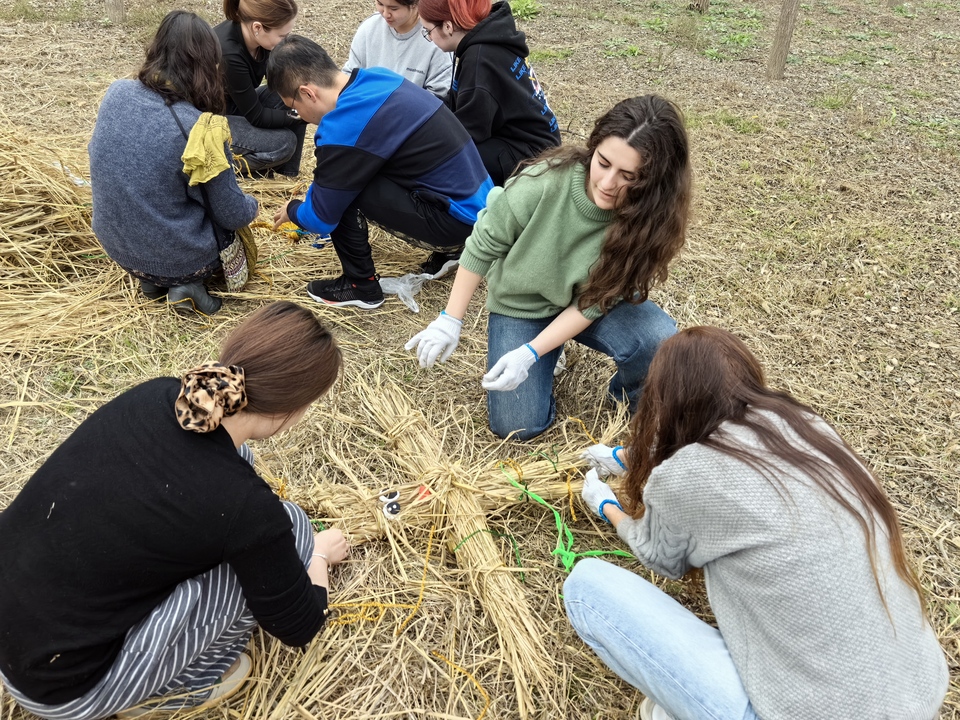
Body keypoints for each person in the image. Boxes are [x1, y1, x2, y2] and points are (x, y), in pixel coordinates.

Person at [568, 326, 949, 720]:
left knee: (585, 586)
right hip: (919, 692)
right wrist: (626, 455)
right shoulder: (806, 428)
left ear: (668, 399)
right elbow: (722, 455)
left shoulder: (684, 476)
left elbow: (660, 556)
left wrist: (607, 505)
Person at [0, 302, 348, 720]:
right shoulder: (246, 508)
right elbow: (299, 625)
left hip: (15, 620)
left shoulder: (159, 394)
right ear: (294, 409)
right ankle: (191, 683)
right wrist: (317, 558)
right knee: (296, 528)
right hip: (64, 688)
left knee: (251, 480)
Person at [405, 96, 688, 440]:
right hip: (522, 306)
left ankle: (630, 406)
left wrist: (530, 352)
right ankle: (549, 354)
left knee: (658, 340)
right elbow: (482, 245)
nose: (608, 183)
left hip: (586, 304)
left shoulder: (650, 220)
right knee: (517, 426)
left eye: (629, 176)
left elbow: (597, 300)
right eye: (603, 163)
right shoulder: (542, 182)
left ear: (653, 181)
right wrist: (450, 320)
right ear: (593, 147)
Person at [268, 35, 494, 308]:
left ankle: (360, 285)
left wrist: (294, 210)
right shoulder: (378, 78)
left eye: (295, 108)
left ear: (307, 93)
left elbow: (321, 218)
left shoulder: (343, 126)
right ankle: (455, 248)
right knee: (345, 174)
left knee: (345, 189)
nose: (301, 116)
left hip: (457, 223)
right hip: (482, 208)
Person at [89, 10, 259, 316]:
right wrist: (254, 205)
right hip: (179, 257)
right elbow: (231, 213)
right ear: (208, 65)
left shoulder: (116, 92)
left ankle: (151, 281)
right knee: (229, 226)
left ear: (156, 50)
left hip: (116, 244)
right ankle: (187, 287)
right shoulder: (199, 128)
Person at [418, 0, 561, 187]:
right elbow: (458, 103)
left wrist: (421, 142)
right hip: (534, 141)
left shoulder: (479, 60)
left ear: (448, 26)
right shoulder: (489, 35)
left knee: (444, 161)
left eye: (428, 31)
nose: (429, 38)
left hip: (533, 158)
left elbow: (467, 133)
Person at [215, 0, 308, 177]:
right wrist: (303, 115)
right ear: (258, 27)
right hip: (209, 122)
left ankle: (287, 175)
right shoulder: (229, 54)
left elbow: (282, 81)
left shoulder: (257, 38)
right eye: (282, 36)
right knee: (285, 143)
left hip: (233, 106)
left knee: (296, 95)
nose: (285, 41)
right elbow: (257, 116)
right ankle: (221, 169)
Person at [343, 0, 453, 98]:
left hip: (413, 116)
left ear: (415, 4)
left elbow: (439, 95)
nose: (386, 14)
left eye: (394, 8)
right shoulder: (369, 28)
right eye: (380, 4)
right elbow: (349, 75)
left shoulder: (434, 37)